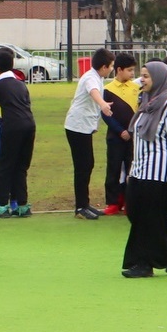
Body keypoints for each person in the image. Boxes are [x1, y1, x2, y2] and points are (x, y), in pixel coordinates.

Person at [121, 61, 167, 278]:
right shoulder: (147, 103)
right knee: (134, 212)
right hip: (139, 170)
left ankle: (144, 264)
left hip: (156, 173)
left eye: (147, 76)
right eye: (142, 76)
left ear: (158, 78)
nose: (142, 80)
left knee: (146, 219)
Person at [0, 49, 36, 218]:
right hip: (29, 125)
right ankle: (22, 205)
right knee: (21, 166)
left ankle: (3, 205)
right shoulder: (21, 84)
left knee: (5, 166)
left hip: (11, 127)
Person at [63, 48, 115, 220]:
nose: (112, 69)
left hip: (83, 127)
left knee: (87, 164)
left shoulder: (97, 77)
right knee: (83, 166)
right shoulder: (91, 78)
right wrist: (103, 105)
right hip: (76, 127)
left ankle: (84, 204)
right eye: (111, 66)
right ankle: (80, 207)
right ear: (103, 66)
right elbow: (93, 92)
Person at [101, 52, 138, 215]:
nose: (132, 74)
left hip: (133, 137)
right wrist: (120, 130)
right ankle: (113, 202)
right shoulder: (107, 89)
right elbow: (105, 114)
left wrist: (130, 131)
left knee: (133, 169)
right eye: (129, 70)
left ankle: (130, 201)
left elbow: (140, 112)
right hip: (115, 137)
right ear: (119, 70)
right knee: (113, 169)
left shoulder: (137, 89)